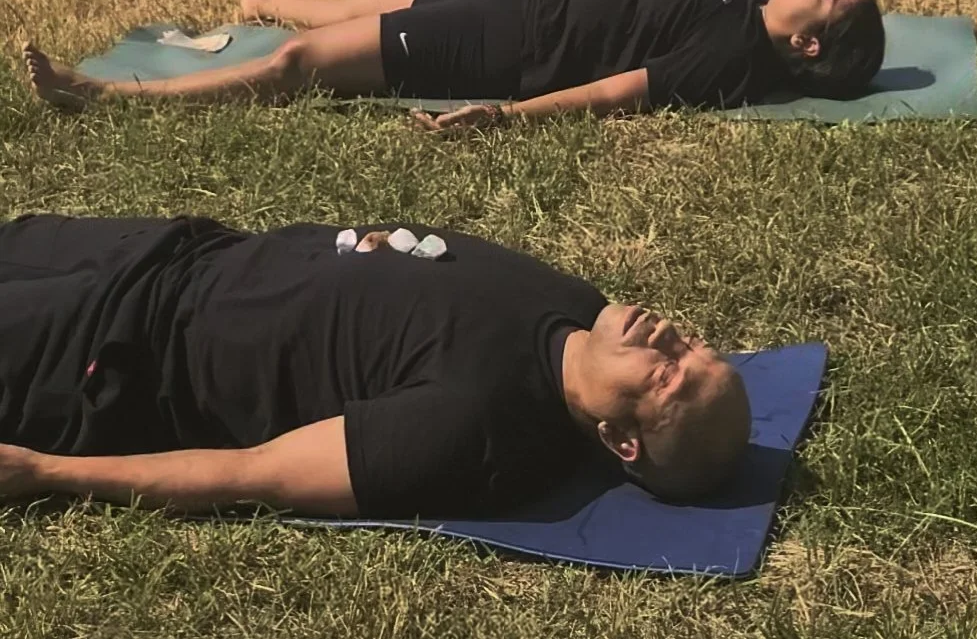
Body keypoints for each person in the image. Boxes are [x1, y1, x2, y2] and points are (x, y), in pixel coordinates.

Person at [0, 212, 750, 517]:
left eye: (666, 375)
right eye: (690, 344)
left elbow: (253, 473)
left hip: (113, 351)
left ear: (621, 439)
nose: (667, 336)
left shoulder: (478, 430)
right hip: (182, 252)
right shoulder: (578, 304)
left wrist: (45, 471)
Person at [22, 0, 886, 125]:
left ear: (808, 45)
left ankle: (105, 93)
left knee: (298, 63)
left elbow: (624, 92)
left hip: (511, 46)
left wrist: (508, 117)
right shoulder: (747, 4)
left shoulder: (733, 53)